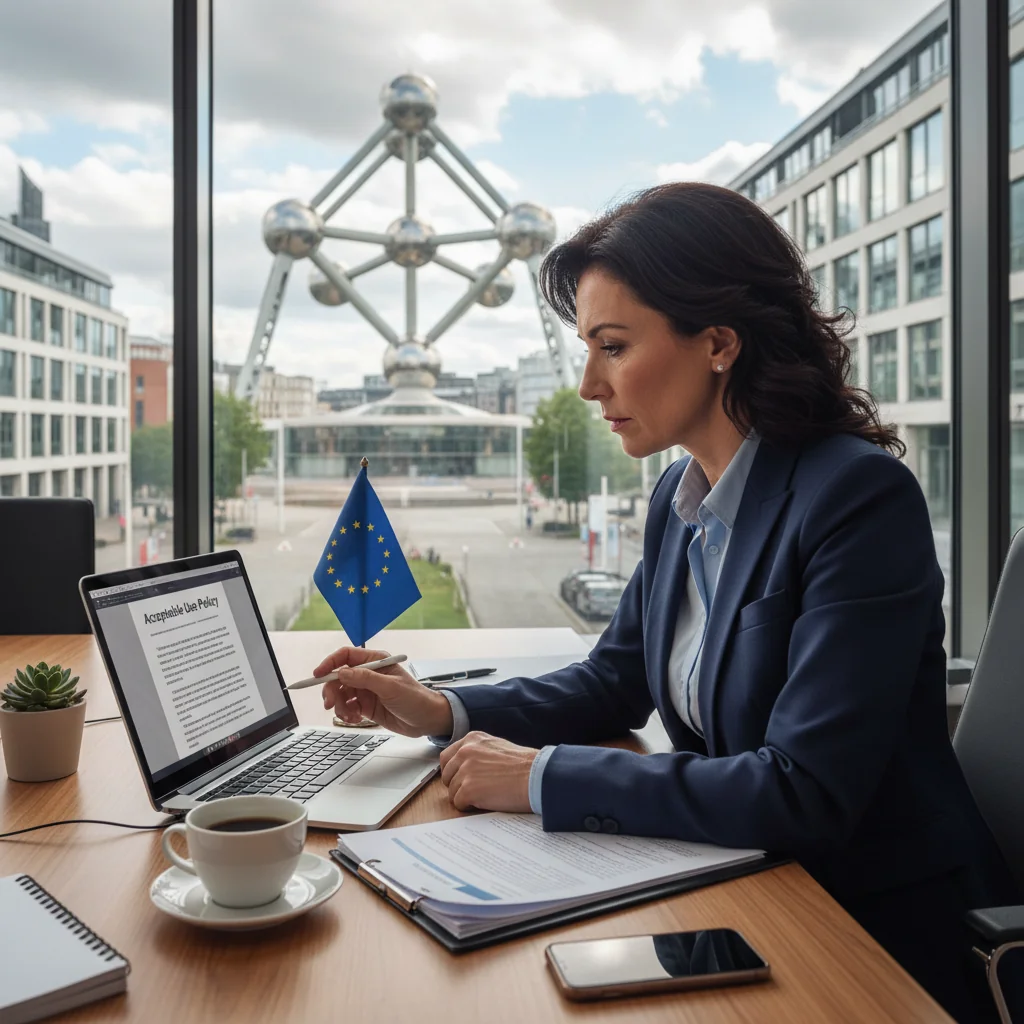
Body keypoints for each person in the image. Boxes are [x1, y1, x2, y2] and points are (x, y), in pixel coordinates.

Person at [315, 182, 1015, 1022]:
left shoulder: (857, 501)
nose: (586, 384)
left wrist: (540, 776)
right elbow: (612, 682)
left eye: (612, 347)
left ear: (718, 342)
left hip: (873, 930)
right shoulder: (680, 497)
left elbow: (805, 792)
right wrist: (439, 710)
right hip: (749, 886)